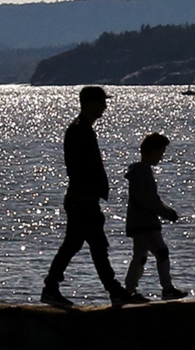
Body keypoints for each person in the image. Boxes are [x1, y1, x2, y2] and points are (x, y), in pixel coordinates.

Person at [42, 85, 133, 309]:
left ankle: (53, 288)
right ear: (90, 103)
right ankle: (113, 291)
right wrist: (90, 193)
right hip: (82, 200)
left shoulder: (82, 129)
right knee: (94, 246)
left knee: (81, 245)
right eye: (101, 101)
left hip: (83, 199)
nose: (105, 106)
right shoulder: (79, 130)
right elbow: (79, 167)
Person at [122, 132, 187, 301]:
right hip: (145, 223)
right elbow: (149, 200)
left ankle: (128, 292)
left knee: (140, 257)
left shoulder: (140, 172)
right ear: (151, 152)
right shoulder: (142, 173)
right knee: (162, 252)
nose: (161, 157)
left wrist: (164, 210)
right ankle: (167, 288)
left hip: (138, 223)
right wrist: (167, 213)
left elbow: (151, 199)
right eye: (160, 153)